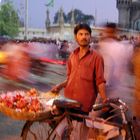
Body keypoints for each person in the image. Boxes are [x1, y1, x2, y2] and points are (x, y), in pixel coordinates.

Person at [51, 23, 107, 140]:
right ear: (76, 37)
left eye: (86, 34)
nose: (84, 37)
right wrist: (60, 86)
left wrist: (104, 100)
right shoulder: (72, 56)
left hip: (83, 106)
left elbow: (100, 82)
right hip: (68, 102)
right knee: (63, 132)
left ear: (90, 37)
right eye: (80, 34)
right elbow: (70, 77)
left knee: (80, 136)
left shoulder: (97, 58)